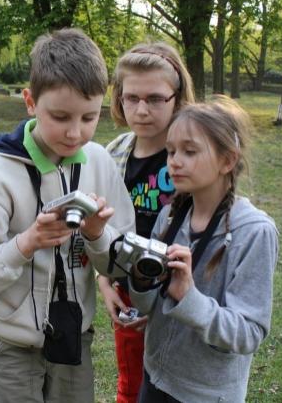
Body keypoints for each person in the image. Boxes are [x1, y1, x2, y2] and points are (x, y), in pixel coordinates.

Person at [0, 28, 135, 403]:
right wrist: (26, 243)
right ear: (30, 102)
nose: (75, 133)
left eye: (89, 117)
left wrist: (98, 235)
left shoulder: (99, 162)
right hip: (10, 345)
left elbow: (120, 265)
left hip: (74, 341)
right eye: (60, 116)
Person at [128, 96, 279, 402]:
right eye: (170, 151)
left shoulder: (254, 232)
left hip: (205, 394)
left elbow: (247, 333)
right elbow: (147, 304)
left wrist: (188, 297)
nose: (174, 161)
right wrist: (141, 281)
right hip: (154, 377)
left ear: (228, 160)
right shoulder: (169, 216)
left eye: (190, 151)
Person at [97, 42, 195, 403]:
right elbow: (100, 229)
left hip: (181, 294)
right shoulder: (113, 153)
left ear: (177, 97)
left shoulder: (195, 156)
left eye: (155, 98)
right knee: (132, 384)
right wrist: (104, 282)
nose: (142, 109)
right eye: (131, 97)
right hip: (129, 295)